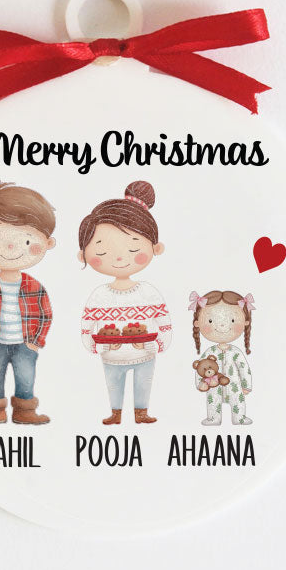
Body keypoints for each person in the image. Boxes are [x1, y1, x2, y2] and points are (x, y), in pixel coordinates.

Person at [78, 181, 172, 425]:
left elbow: (163, 319)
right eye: (101, 251)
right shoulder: (99, 295)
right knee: (113, 383)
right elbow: (88, 323)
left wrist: (162, 340)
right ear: (83, 254)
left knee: (144, 383)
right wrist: (90, 341)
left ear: (156, 248)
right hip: (111, 355)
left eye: (132, 248)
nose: (119, 257)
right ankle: (116, 412)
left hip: (146, 352)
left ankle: (141, 412)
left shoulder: (148, 292)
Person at [0, 181, 55, 425]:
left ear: (48, 243)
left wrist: (36, 341)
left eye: (27, 242)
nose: (11, 247)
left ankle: (25, 411)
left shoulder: (35, 287)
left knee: (26, 377)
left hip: (25, 343)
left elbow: (45, 315)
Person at [189, 289, 254, 425]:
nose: (222, 325)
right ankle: (213, 418)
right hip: (213, 386)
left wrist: (246, 385)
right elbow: (200, 368)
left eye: (232, 320)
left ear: (245, 322)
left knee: (238, 401)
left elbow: (243, 368)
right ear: (197, 323)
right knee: (213, 402)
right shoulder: (210, 352)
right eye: (211, 320)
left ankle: (239, 418)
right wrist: (200, 383)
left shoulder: (235, 352)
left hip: (235, 385)